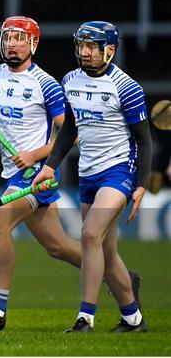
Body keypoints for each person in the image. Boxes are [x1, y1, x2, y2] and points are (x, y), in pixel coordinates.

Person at [0, 16, 141, 331]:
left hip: (34, 175)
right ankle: (123, 280)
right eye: (9, 37)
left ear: (33, 44)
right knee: (57, 246)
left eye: (20, 38)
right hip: (12, 172)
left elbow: (70, 133)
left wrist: (35, 155)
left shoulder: (46, 84)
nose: (13, 44)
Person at [32, 21, 152, 333]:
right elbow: (69, 127)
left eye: (91, 47)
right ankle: (133, 318)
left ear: (110, 50)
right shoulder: (70, 80)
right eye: (81, 46)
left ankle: (85, 318)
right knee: (106, 252)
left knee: (88, 235)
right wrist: (49, 165)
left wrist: (140, 184)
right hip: (89, 173)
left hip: (119, 171)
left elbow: (144, 140)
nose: (84, 53)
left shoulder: (126, 88)